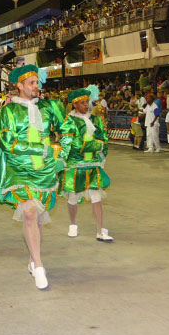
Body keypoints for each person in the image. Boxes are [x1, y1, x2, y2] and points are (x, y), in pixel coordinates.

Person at [0, 64, 74, 290]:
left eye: (37, 82)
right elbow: (8, 143)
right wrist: (41, 149)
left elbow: (67, 130)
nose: (36, 87)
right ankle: (39, 264)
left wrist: (63, 156)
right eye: (31, 83)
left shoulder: (50, 107)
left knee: (37, 216)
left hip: (46, 170)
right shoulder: (7, 111)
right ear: (19, 85)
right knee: (29, 212)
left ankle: (32, 258)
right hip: (19, 169)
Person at [60, 86, 112, 241]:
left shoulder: (96, 119)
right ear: (75, 105)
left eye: (87, 102)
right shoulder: (69, 121)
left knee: (96, 196)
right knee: (73, 198)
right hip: (76, 165)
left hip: (93, 164)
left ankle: (100, 229)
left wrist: (100, 148)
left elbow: (104, 139)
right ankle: (73, 224)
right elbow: (71, 144)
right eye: (82, 103)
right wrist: (95, 145)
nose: (86, 105)